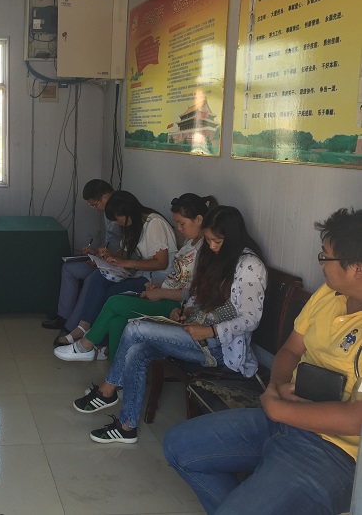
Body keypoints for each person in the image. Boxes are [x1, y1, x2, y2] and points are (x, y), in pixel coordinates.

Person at [163, 208, 362, 515]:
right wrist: (276, 386)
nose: (320, 264)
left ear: (357, 268)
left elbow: (355, 419)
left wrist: (276, 406)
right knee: (178, 447)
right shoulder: (329, 293)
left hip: (333, 452)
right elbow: (291, 349)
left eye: (326, 257)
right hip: (282, 417)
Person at [74, 206, 266, 445]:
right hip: (194, 331)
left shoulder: (249, 265)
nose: (212, 246)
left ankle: (107, 390)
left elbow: (250, 319)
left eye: (217, 241)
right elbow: (198, 294)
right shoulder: (216, 256)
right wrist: (186, 310)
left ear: (233, 238)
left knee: (134, 328)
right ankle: (126, 427)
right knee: (137, 351)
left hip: (218, 346)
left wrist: (210, 330)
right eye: (208, 240)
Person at [54, 193, 217, 361]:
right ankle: (114, 370)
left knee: (114, 300)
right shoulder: (190, 244)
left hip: (174, 303)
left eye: (181, 223)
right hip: (161, 288)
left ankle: (86, 345)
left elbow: (192, 291)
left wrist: (160, 291)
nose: (178, 229)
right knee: (114, 317)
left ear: (199, 220)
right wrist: (158, 285)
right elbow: (179, 278)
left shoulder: (204, 249)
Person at [54, 190, 178, 346]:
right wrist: (108, 255)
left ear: (129, 211)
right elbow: (125, 253)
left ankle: (99, 342)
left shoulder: (154, 224)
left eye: (119, 220)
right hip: (142, 274)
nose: (118, 224)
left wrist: (127, 263)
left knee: (111, 294)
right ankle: (83, 327)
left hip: (157, 280)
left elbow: (161, 263)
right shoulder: (133, 224)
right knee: (98, 276)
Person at [41, 179, 122, 330]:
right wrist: (95, 251)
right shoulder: (108, 213)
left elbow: (125, 250)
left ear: (105, 198)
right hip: (104, 260)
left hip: (116, 265)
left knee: (92, 280)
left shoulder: (122, 213)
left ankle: (73, 327)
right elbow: (110, 242)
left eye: (94, 204)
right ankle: (63, 317)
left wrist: (101, 260)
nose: (94, 208)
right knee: (69, 268)